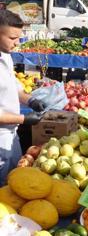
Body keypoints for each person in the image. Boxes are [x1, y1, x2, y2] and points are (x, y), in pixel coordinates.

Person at [0, 10, 45, 185]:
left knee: (15, 183)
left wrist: (30, 100)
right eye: (12, 38)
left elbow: (13, 86)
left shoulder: (6, 56)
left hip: (12, 135)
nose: (17, 43)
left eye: (18, 37)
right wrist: (24, 118)